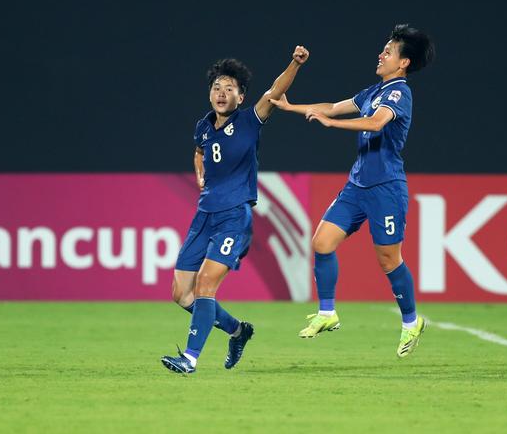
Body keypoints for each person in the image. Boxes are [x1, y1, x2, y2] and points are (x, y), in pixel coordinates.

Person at [270, 24, 434, 357]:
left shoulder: (399, 92)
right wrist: (291, 107)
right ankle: (327, 312)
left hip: (386, 188)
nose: (381, 54)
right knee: (321, 242)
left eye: (388, 51)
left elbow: (375, 123)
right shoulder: (375, 91)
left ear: (403, 62)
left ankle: (411, 321)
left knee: (389, 260)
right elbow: (331, 106)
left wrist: (331, 125)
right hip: (357, 186)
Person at [161, 45, 310, 374]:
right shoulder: (203, 125)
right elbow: (199, 152)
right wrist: (199, 170)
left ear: (241, 97)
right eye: (216, 87)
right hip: (204, 217)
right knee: (181, 295)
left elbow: (274, 92)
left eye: (229, 88)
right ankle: (238, 330)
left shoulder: (249, 121)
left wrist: (294, 64)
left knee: (205, 285)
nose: (221, 92)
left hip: (234, 217)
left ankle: (190, 358)